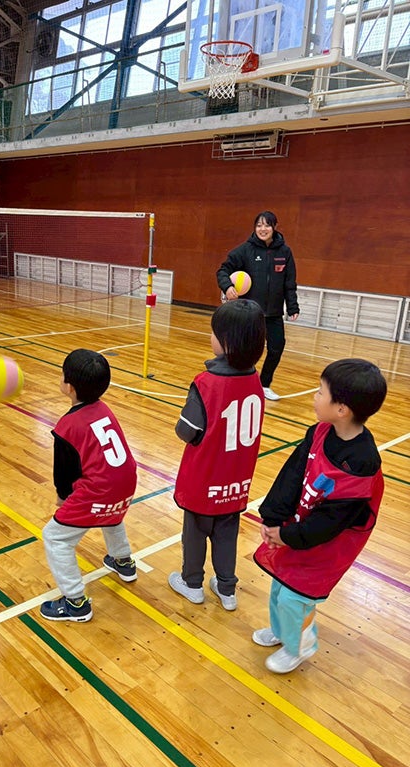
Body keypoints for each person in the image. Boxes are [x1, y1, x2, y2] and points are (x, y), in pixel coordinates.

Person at [253, 358, 387, 674]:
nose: (314, 396)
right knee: (279, 584)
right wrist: (273, 518)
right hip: (301, 525)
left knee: (295, 597)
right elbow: (293, 474)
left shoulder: (362, 464)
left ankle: (299, 645)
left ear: (342, 409)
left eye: (320, 392)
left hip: (328, 542)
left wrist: (288, 536)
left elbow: (331, 523)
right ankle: (284, 631)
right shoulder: (319, 431)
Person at [168, 299, 266, 610]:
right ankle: (227, 590)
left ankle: (192, 583)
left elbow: (187, 431)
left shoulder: (206, 383)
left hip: (204, 476)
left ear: (225, 342)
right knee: (227, 533)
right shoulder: (256, 382)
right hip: (235, 479)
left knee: (195, 532)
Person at [40, 348, 138, 622]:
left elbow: (64, 472)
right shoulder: (104, 409)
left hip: (100, 490)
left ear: (68, 387)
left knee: (55, 538)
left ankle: (76, 602)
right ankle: (123, 561)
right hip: (126, 483)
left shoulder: (67, 426)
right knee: (111, 515)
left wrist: (63, 497)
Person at [216, 211, 299, 402]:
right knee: (243, 350)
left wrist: (292, 307)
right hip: (249, 312)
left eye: (267, 225)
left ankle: (264, 385)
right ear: (255, 228)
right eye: (259, 225)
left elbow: (289, 282)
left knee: (277, 347)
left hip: (274, 313)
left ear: (275, 227)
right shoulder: (245, 250)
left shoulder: (285, 252)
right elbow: (223, 270)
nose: (263, 229)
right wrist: (227, 286)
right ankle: (236, 382)